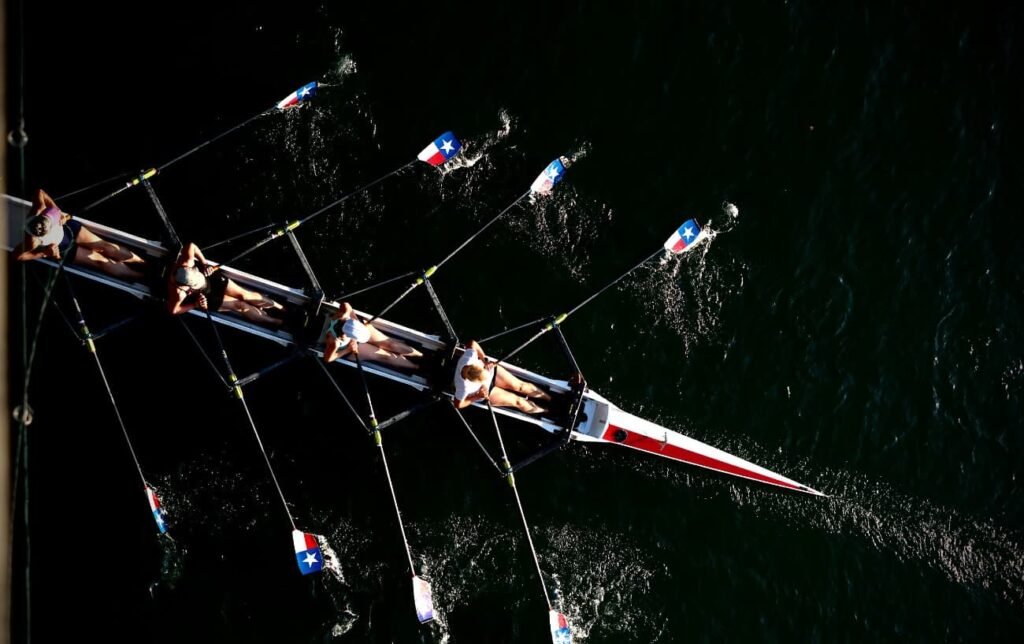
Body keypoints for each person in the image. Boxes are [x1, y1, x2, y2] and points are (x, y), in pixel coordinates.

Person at [14, 188, 147, 280]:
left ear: (43, 215)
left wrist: (59, 213)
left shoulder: (39, 207)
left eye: (49, 218)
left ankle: (145, 264)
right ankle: (143, 276)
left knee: (107, 247)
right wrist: (44, 253)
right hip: (64, 248)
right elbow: (17, 256)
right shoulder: (32, 241)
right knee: (102, 262)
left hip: (69, 228)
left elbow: (40, 191)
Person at [166, 242, 285, 327]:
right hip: (206, 296)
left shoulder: (186, 262)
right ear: (187, 287)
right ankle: (276, 322)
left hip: (211, 278)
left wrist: (205, 263)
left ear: (189, 268)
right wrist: (195, 304)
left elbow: (191, 246)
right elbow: (174, 311)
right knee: (240, 305)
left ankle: (282, 308)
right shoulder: (179, 293)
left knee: (245, 295)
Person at [453, 340, 551, 414]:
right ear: (473, 381)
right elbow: (458, 405)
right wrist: (476, 397)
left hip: (491, 372)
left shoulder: (469, 357)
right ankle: (546, 411)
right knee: (518, 401)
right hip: (486, 392)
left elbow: (472, 343)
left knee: (521, 386)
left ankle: (549, 398)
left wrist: (485, 360)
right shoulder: (463, 387)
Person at [323, 302, 423, 370]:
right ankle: (417, 367)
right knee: (387, 357)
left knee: (393, 345)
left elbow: (346, 304)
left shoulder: (344, 315)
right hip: (350, 347)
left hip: (358, 328)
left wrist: (351, 316)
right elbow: (328, 359)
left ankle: (421, 356)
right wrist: (348, 349)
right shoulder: (335, 342)